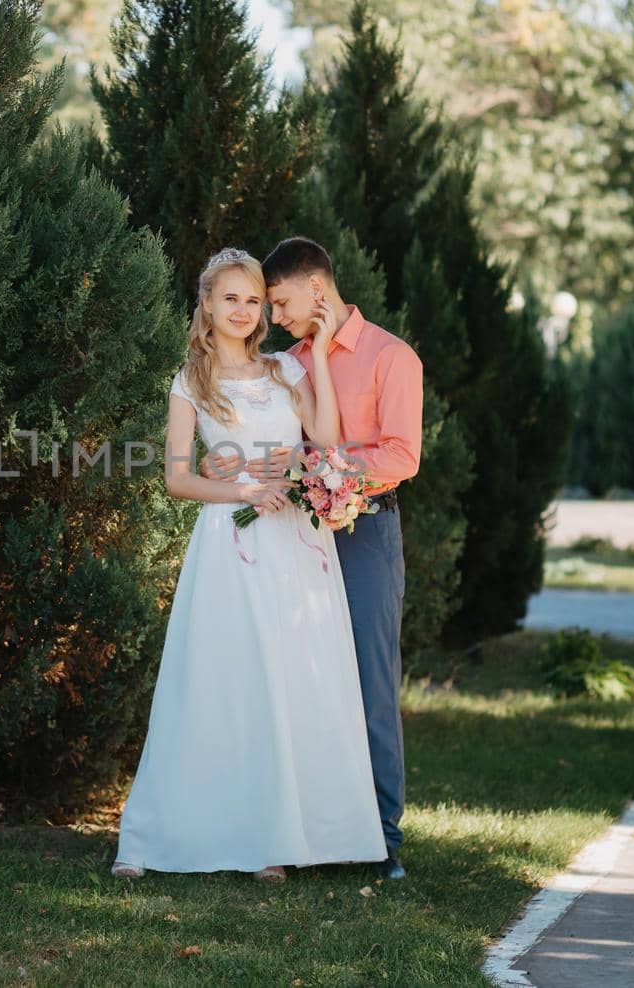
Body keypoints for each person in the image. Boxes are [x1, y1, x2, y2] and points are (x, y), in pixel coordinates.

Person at [110, 247, 387, 883]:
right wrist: (241, 491)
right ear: (206, 304)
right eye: (230, 298)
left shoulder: (286, 369)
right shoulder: (190, 381)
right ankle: (166, 833)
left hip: (295, 543)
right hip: (230, 544)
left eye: (254, 300)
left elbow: (323, 438)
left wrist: (317, 354)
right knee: (224, 681)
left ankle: (276, 840)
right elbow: (178, 479)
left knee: (290, 680)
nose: (243, 310)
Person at [207, 236, 423, 881]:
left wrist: (326, 470)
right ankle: (308, 829)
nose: (275, 315)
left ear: (316, 289)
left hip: (364, 536)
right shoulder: (286, 364)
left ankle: (383, 840)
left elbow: (402, 456)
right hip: (293, 535)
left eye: (279, 301)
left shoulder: (391, 356)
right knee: (302, 681)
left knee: (368, 683)